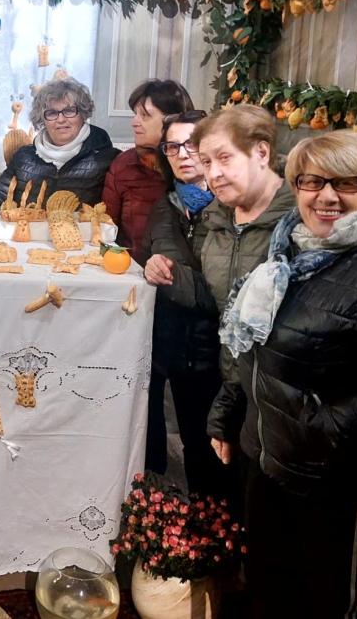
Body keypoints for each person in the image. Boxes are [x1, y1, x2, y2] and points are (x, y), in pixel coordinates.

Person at [207, 131, 357, 617]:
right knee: (270, 589)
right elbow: (256, 342)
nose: (327, 196)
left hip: (333, 475)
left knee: (324, 601)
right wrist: (230, 413)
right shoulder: (287, 250)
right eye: (312, 181)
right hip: (268, 453)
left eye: (347, 182)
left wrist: (319, 427)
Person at [140, 110, 228, 497]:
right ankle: (202, 535)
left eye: (192, 144)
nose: (183, 154)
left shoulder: (231, 205)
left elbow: (221, 291)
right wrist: (151, 265)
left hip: (221, 352)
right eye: (172, 146)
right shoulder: (166, 206)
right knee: (195, 445)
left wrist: (170, 274)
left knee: (221, 451)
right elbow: (154, 257)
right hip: (177, 344)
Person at [0, 77, 117, 207]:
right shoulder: (23, 158)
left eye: (69, 111)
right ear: (42, 119)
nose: (61, 119)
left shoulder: (107, 160)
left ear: (83, 114)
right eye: (52, 113)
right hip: (28, 230)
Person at [102, 79, 194, 264]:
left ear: (173, 120)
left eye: (145, 116)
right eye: (135, 114)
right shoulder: (123, 165)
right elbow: (105, 230)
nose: (134, 122)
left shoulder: (195, 165)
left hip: (184, 278)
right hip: (133, 273)